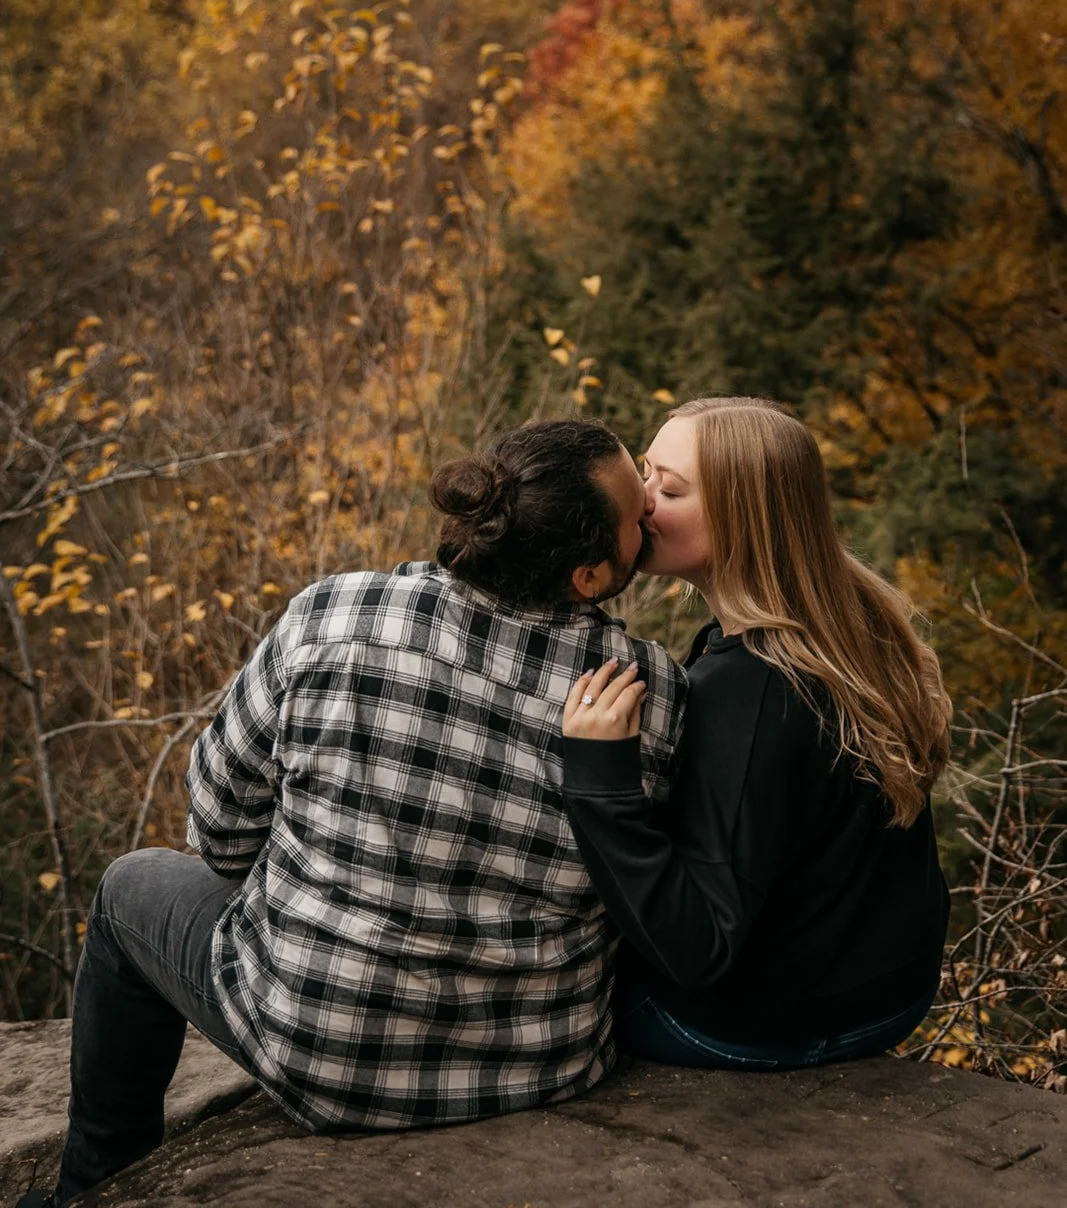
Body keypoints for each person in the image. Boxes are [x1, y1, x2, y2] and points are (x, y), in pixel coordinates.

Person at [20, 419, 686, 1208]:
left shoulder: (333, 612)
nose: (651, 509)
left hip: (316, 1053)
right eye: (636, 512)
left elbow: (217, 825)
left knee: (134, 883)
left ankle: (87, 1186)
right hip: (538, 1068)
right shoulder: (652, 692)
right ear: (588, 575)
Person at [561, 396, 952, 1071]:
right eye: (645, 471)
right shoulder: (850, 623)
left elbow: (700, 945)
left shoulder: (752, 691)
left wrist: (599, 784)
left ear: (746, 519)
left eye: (670, 489)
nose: (640, 501)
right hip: (888, 996)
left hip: (761, 1027)